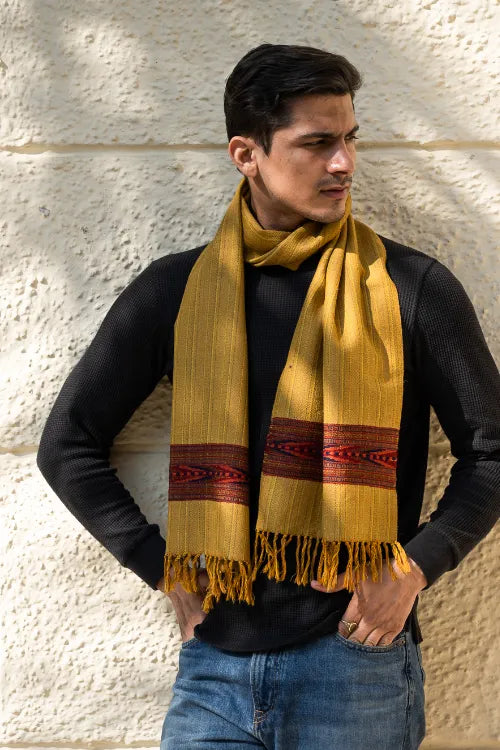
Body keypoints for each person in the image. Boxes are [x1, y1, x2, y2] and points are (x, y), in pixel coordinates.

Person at [36, 43, 500, 750]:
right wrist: (159, 566)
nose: (343, 163)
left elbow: (491, 452)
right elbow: (68, 445)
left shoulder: (410, 288)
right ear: (246, 154)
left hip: (357, 664)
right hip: (214, 670)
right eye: (316, 143)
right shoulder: (177, 291)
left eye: (349, 139)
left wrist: (413, 570)